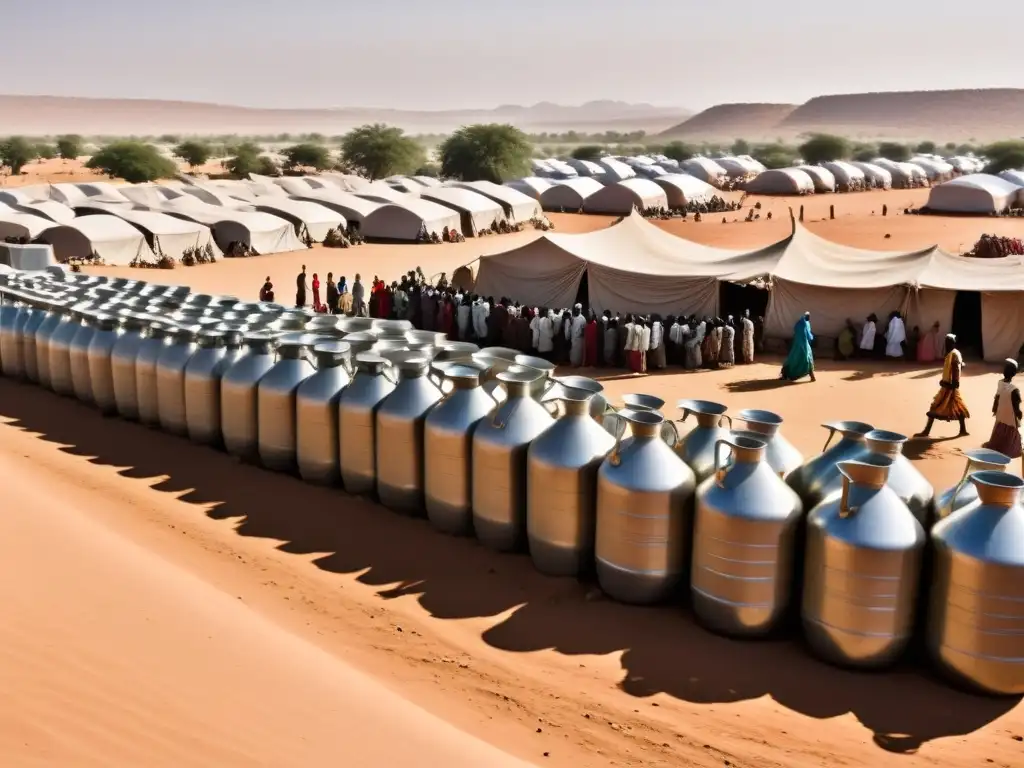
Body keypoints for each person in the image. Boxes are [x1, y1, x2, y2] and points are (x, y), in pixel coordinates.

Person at [916, 334, 969, 438]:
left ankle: (926, 431)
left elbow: (957, 368)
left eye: (949, 342)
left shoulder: (953, 354)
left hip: (948, 387)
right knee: (958, 407)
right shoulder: (953, 353)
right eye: (946, 342)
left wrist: (950, 383)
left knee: (935, 406)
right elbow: (961, 365)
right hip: (948, 386)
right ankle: (963, 430)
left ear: (953, 343)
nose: (947, 344)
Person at [984, 359, 1023, 459]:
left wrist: (995, 409)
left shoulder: (1000, 383)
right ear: (1014, 373)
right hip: (1010, 416)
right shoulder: (1014, 390)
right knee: (1012, 429)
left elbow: (997, 397)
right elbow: (1016, 408)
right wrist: (1019, 415)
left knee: (1000, 426)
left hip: (1001, 413)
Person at [780, 312, 816, 382]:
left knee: (793, 359)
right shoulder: (804, 324)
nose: (809, 318)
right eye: (808, 316)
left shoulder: (800, 323)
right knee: (807, 360)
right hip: (803, 344)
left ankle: (786, 375)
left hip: (798, 344)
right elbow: (808, 335)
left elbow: (798, 333)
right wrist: (811, 338)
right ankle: (812, 376)